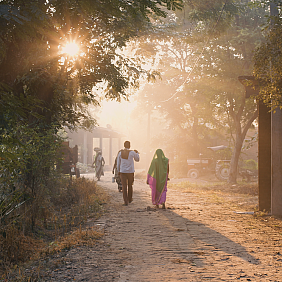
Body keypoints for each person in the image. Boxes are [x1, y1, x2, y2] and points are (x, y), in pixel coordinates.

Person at [117, 141, 140, 206]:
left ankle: (125, 201)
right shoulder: (132, 152)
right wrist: (137, 153)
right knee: (130, 185)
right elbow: (137, 159)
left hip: (123, 172)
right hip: (130, 172)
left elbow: (118, 163)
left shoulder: (120, 153)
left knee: (124, 186)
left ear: (124, 145)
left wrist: (118, 170)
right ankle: (130, 199)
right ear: (129, 146)